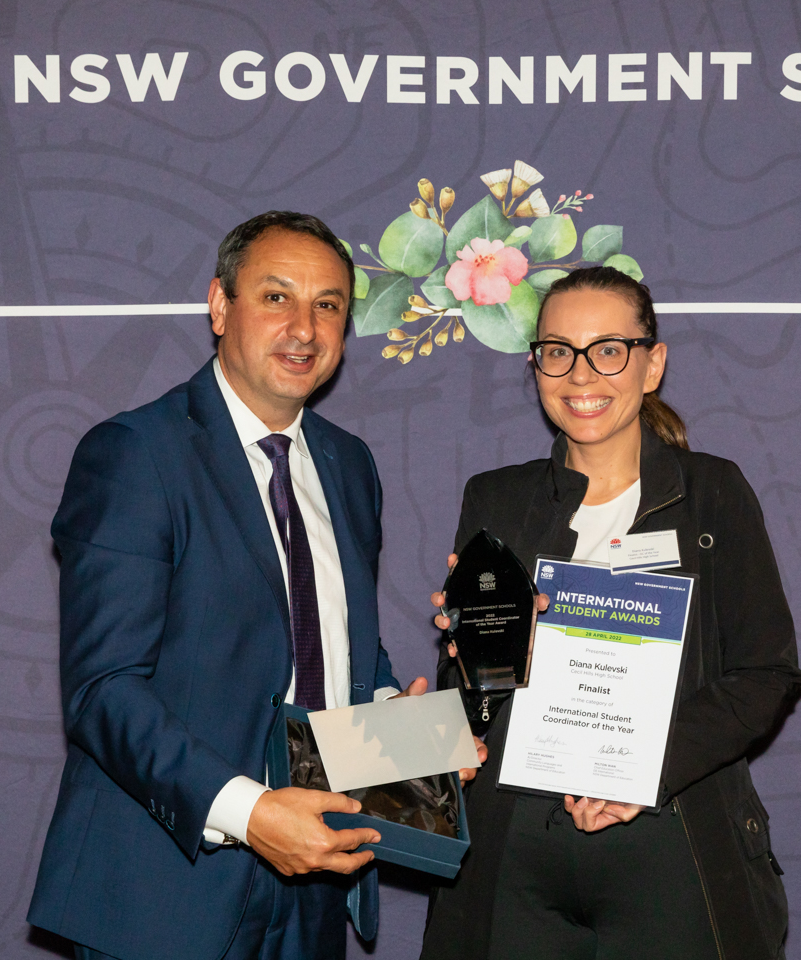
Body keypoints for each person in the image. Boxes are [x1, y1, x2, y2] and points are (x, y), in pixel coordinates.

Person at [27, 211, 482, 960]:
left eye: (328, 305)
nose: (304, 328)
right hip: (165, 891)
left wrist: (404, 737)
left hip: (313, 889)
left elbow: (341, 662)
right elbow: (103, 689)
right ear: (219, 306)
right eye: (277, 297)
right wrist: (252, 812)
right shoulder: (135, 454)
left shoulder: (348, 464)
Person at [420, 266, 801, 959]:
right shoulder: (495, 500)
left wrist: (641, 769)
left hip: (670, 839)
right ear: (536, 366)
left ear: (651, 364)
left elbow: (765, 673)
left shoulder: (714, 492)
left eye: (608, 349)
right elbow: (474, 699)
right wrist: (463, 672)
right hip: (513, 856)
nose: (580, 373)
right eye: (557, 351)